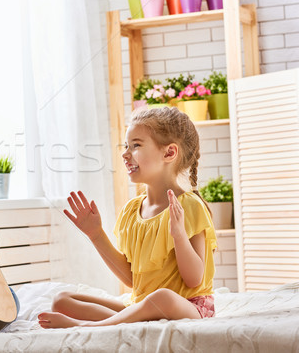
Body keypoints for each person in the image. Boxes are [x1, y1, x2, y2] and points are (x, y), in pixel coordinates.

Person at [38, 107, 217, 328]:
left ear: (169, 153)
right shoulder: (132, 210)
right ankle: (131, 319)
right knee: (61, 300)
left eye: (136, 145)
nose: (125, 154)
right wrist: (96, 235)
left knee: (163, 298)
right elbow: (133, 280)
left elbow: (194, 279)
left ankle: (87, 326)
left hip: (187, 307)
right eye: (126, 146)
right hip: (144, 304)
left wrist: (179, 235)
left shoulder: (189, 206)